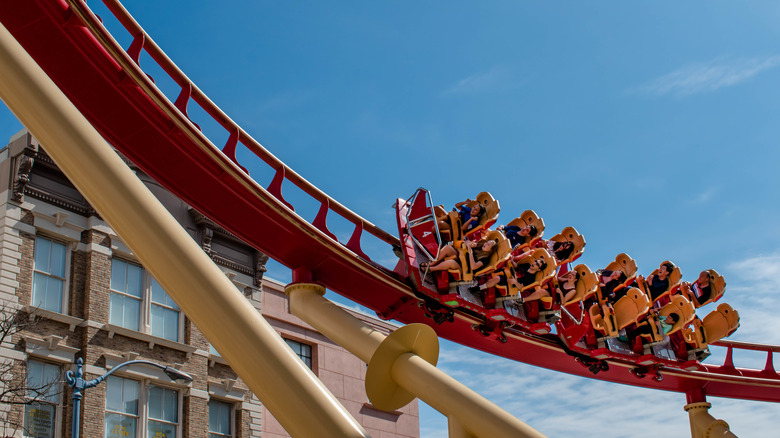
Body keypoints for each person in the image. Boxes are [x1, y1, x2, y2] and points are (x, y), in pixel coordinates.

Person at [421, 238, 498, 273]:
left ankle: (431, 269)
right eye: (486, 242)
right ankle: (431, 263)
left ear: (490, 250)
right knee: (447, 248)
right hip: (460, 257)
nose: (485, 244)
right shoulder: (480, 246)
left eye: (488, 245)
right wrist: (470, 244)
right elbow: (467, 241)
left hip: (463, 267)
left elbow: (473, 266)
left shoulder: (485, 259)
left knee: (450, 262)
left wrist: (470, 252)